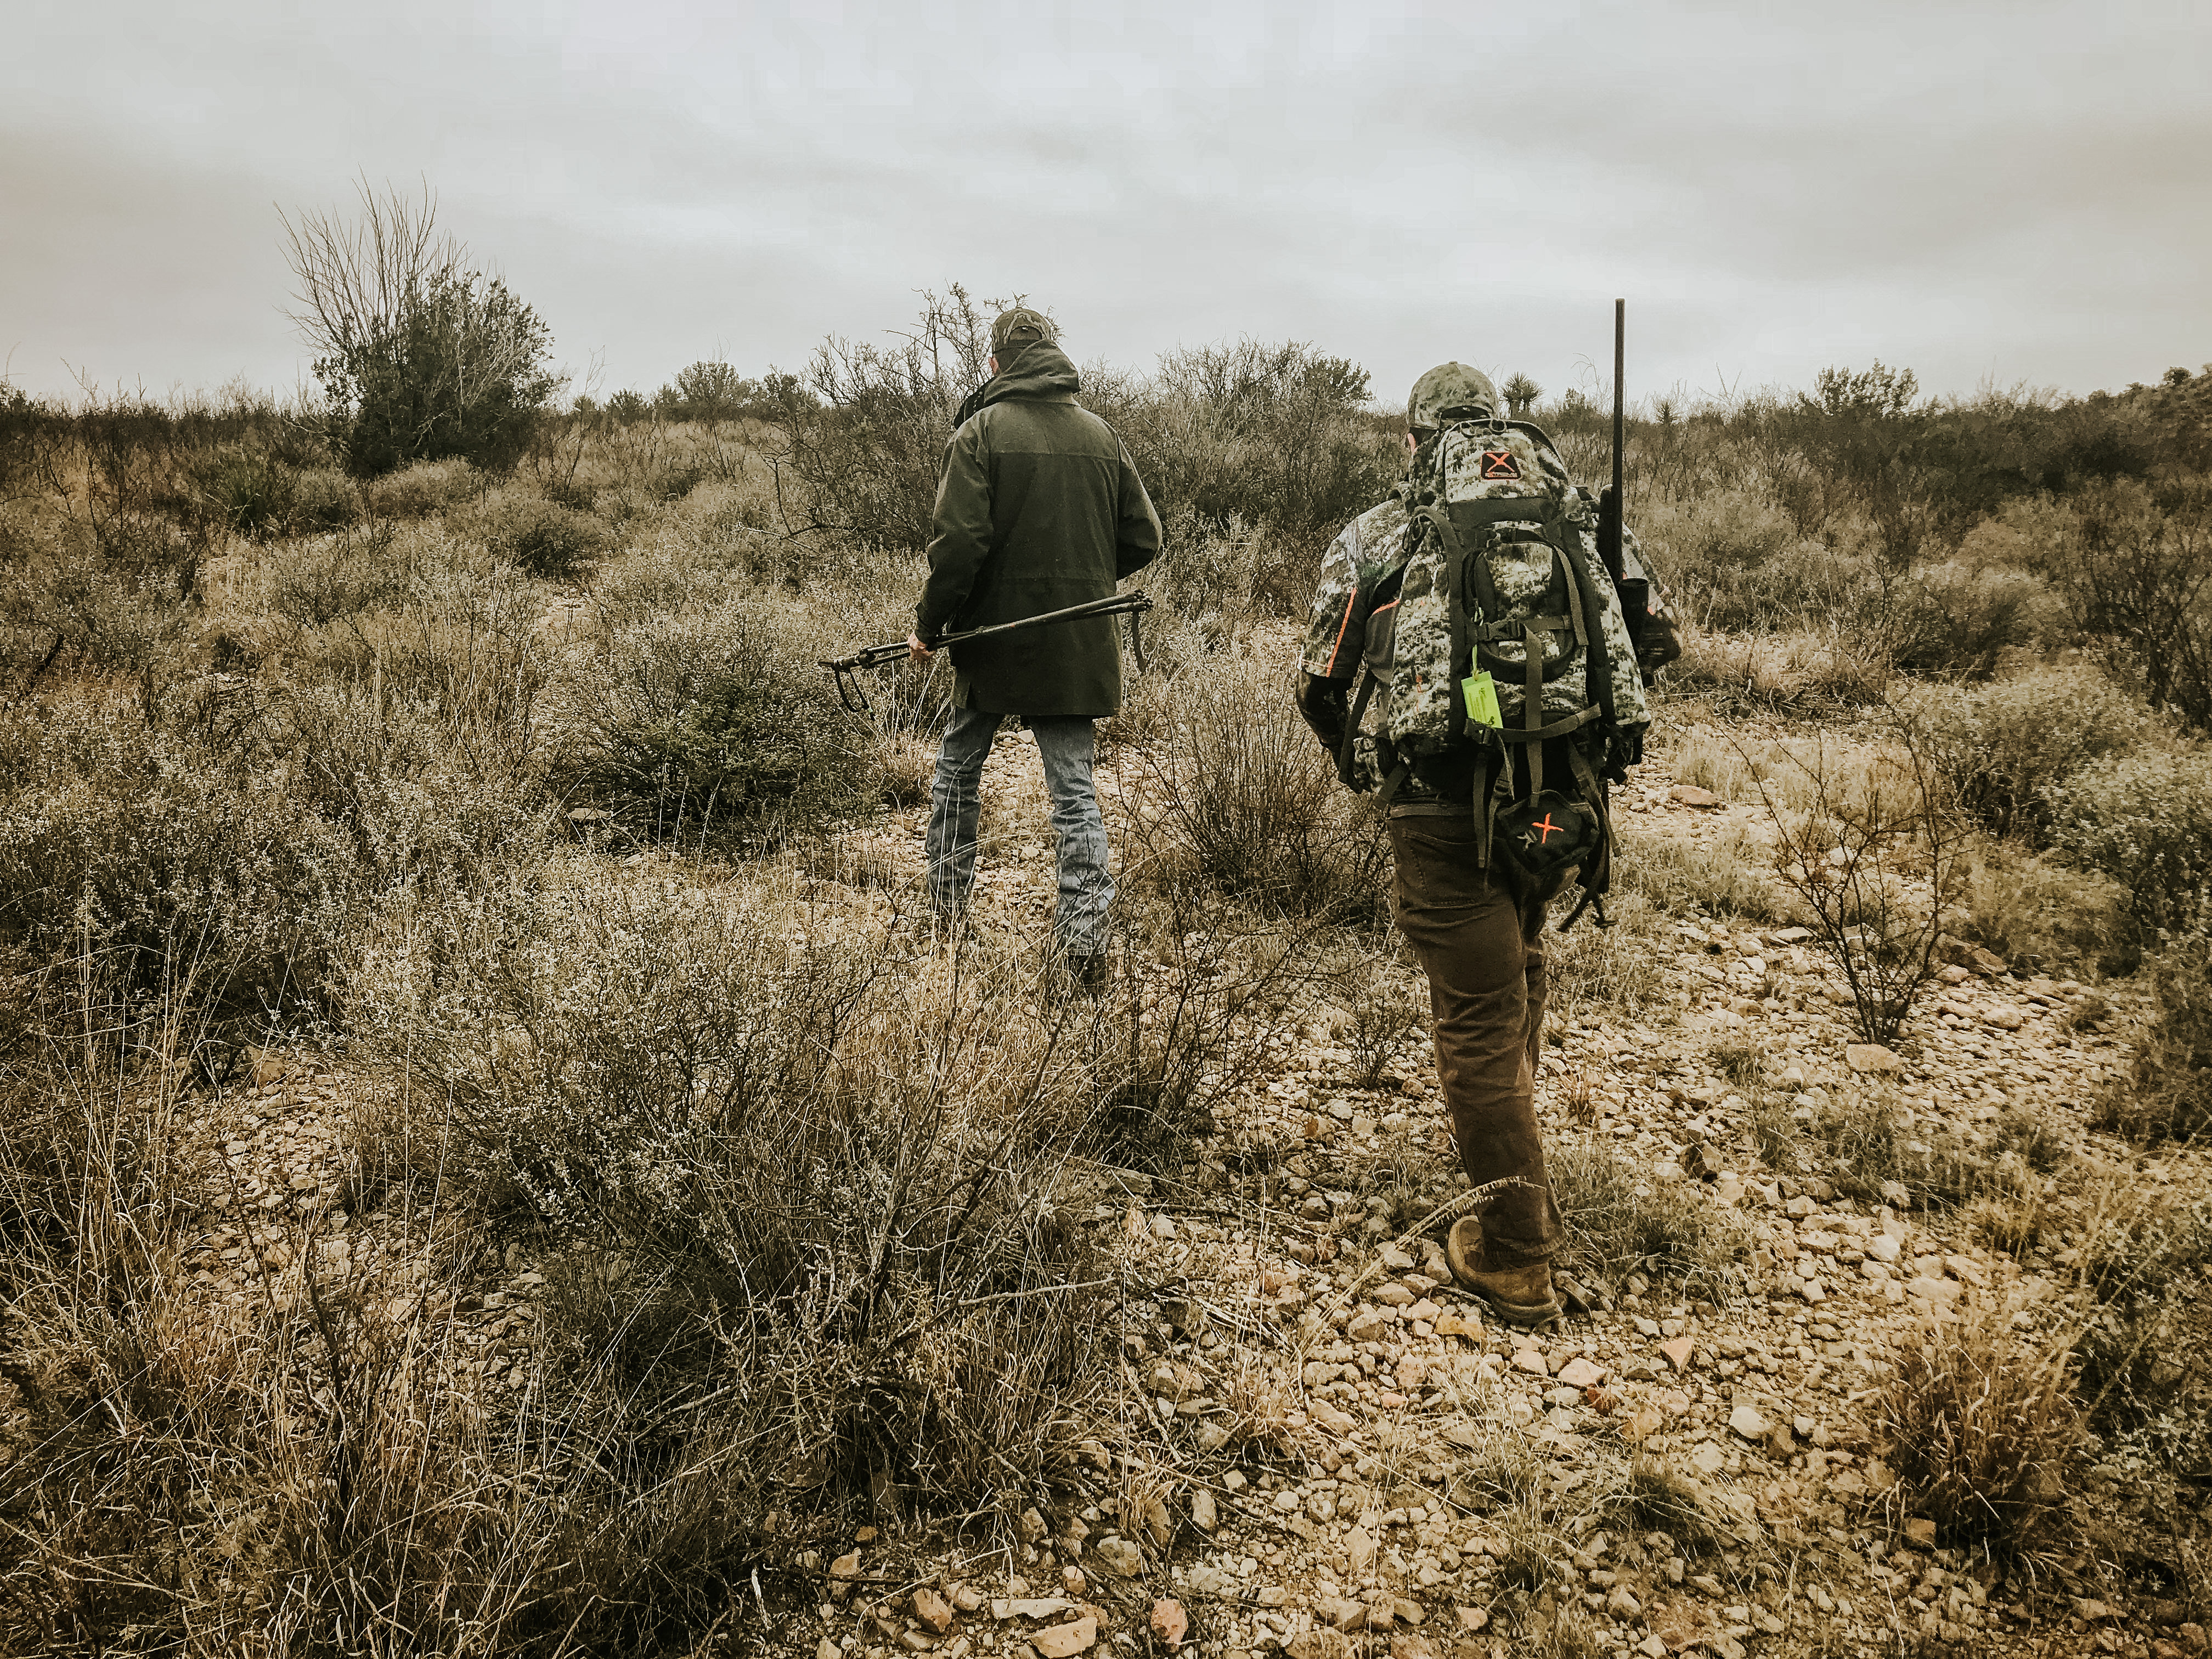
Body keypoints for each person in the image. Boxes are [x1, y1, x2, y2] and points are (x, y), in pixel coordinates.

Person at [1294, 363, 1649, 1325]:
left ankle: (1516, 1254)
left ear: (1415, 441)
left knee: (1477, 1019)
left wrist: (1356, 758)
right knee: (1521, 951)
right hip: (1562, 799)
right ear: (1494, 432)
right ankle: (1512, 1161)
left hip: (1443, 800)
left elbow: (1318, 674)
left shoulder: (1379, 530)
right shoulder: (1570, 514)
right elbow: (1648, 637)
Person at [910, 307, 1162, 984]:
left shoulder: (980, 431)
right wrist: (1078, 577)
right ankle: (1083, 946)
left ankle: (944, 919)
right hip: (1076, 641)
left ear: (995, 363)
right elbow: (1145, 539)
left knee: (959, 771)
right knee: (1073, 790)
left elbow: (958, 545)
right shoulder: (1102, 435)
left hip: (990, 640)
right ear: (1053, 355)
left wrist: (929, 626)